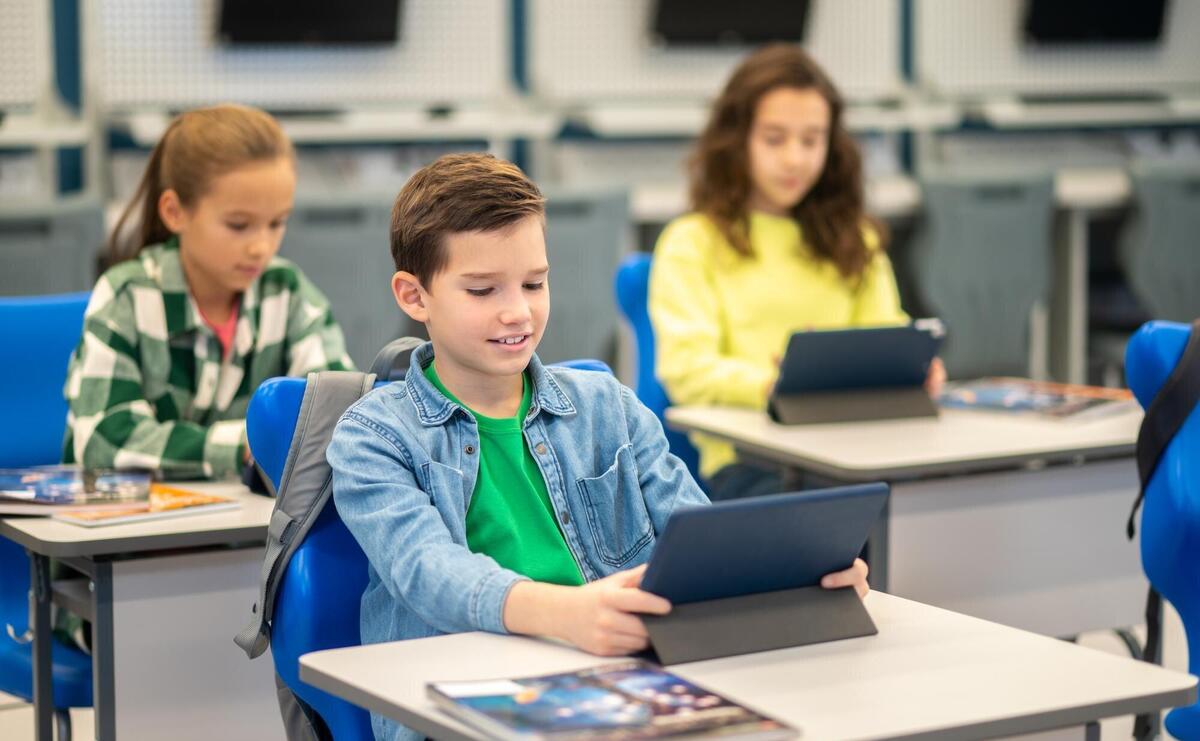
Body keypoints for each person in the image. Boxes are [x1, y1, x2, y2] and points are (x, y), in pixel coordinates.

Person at [326, 153, 870, 741]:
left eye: (535, 283)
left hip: (622, 683)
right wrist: (569, 613)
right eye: (482, 290)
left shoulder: (607, 407)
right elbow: (427, 572)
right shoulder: (372, 436)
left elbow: (699, 536)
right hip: (455, 706)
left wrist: (791, 579)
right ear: (414, 296)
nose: (518, 311)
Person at [648, 44, 945, 500]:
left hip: (861, 449)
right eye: (774, 138)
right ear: (737, 140)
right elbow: (687, 371)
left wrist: (913, 371)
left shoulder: (856, 240)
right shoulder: (693, 241)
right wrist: (776, 386)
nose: (794, 158)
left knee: (938, 504)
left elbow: (886, 333)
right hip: (754, 462)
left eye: (811, 140)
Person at [64, 103, 353, 480]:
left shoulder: (289, 292)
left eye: (276, 223)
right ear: (174, 212)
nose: (261, 247)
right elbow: (103, 440)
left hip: (248, 530)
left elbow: (336, 416)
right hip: (131, 535)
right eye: (238, 225)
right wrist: (245, 446)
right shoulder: (126, 298)